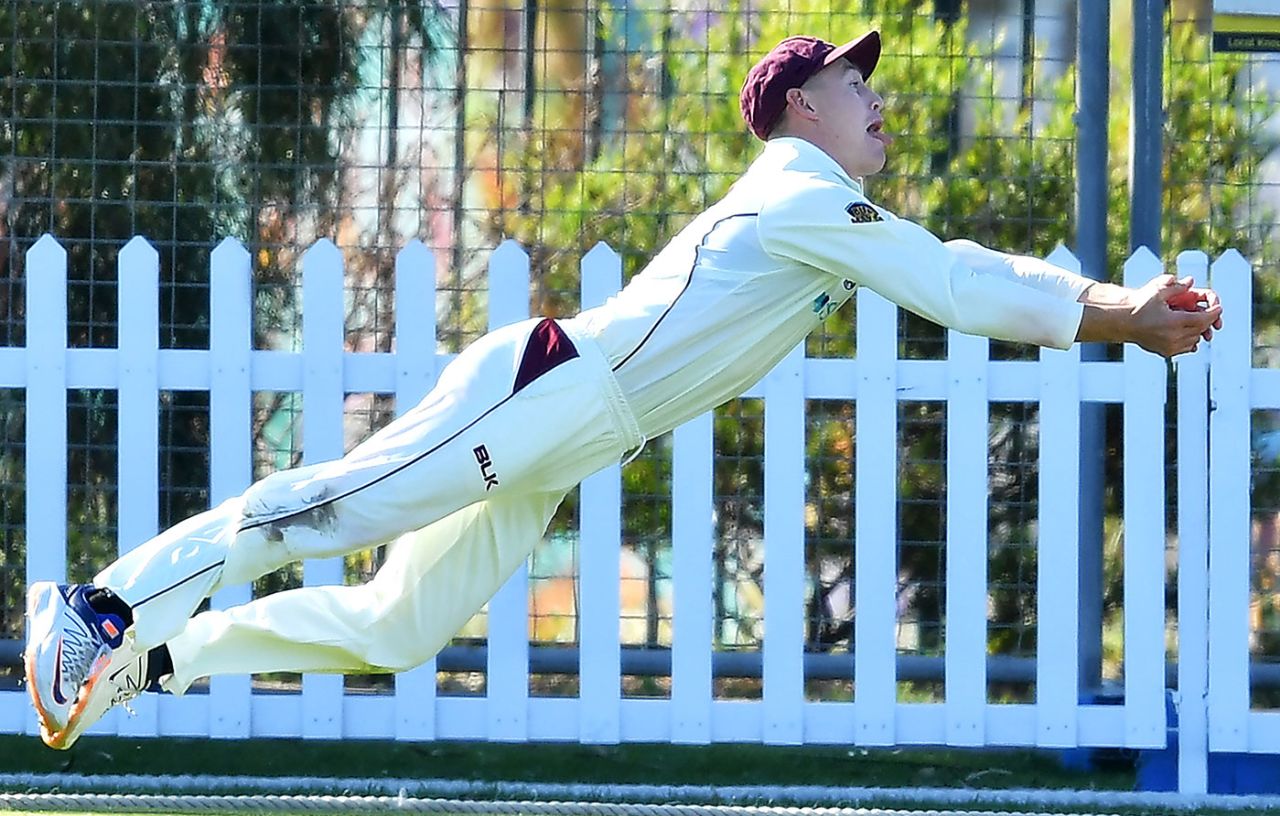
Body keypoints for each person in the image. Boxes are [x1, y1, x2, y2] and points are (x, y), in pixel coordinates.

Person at [24, 30, 1222, 750]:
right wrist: (1114, 312)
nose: (878, 102)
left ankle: (149, 663)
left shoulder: (820, 208)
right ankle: (101, 608)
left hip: (571, 435)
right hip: (545, 391)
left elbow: (938, 269)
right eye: (856, 86)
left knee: (396, 629)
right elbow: (950, 278)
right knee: (330, 506)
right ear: (802, 106)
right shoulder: (798, 190)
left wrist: (1106, 313)